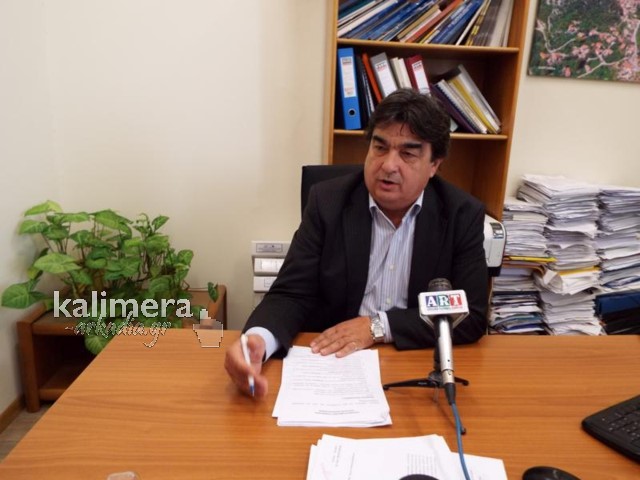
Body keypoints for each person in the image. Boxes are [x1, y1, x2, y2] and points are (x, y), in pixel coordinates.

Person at [225, 88, 488, 397]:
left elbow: (470, 314)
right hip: (333, 365)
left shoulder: (461, 214)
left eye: (408, 153)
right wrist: (259, 339)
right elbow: (291, 293)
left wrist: (379, 326)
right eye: (380, 147)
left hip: (413, 366)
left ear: (434, 165)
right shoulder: (327, 202)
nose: (388, 165)